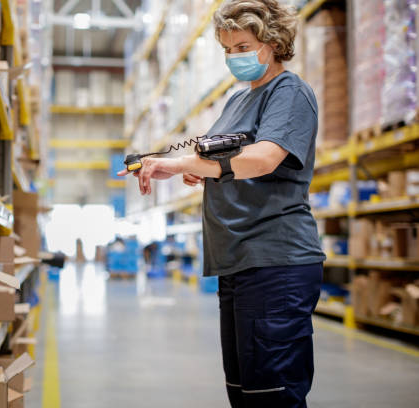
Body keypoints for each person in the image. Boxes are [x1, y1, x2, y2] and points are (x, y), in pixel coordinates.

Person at [117, 1, 326, 407]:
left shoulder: (290, 93)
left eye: (243, 46)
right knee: (244, 393)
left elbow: (264, 158)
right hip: (236, 261)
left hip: (275, 260)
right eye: (227, 49)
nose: (235, 57)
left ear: (273, 42)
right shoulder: (236, 102)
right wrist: (186, 168)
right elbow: (222, 162)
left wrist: (192, 165)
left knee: (273, 395)